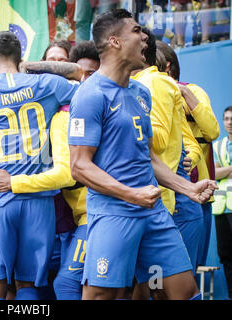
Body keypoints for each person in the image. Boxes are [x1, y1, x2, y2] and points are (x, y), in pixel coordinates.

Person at [68, 8, 216, 300]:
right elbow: (79, 167)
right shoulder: (90, 94)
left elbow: (148, 158)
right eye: (136, 30)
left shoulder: (140, 93)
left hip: (154, 214)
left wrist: (188, 188)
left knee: (181, 292)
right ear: (115, 41)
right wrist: (131, 194)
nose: (145, 37)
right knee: (100, 295)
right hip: (114, 215)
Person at [0, 31, 80, 300]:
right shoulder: (49, 84)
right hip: (39, 203)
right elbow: (81, 75)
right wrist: (31, 68)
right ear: (20, 58)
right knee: (28, 288)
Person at [132, 28, 204, 286]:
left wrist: (128, 125)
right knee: (151, 286)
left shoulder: (155, 82)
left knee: (169, 288)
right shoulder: (132, 86)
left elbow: (160, 141)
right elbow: (182, 138)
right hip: (156, 200)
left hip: (175, 204)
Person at [156, 39, 220, 268]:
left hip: (197, 192)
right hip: (161, 194)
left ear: (167, 67)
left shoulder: (192, 90)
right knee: (160, 273)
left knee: (190, 267)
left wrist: (182, 93)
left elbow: (212, 131)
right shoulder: (143, 91)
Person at [212, 105, 232, 299]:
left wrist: (223, 170)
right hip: (221, 208)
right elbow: (214, 173)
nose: (230, 122)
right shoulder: (218, 146)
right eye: (226, 119)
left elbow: (220, 172)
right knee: (225, 254)